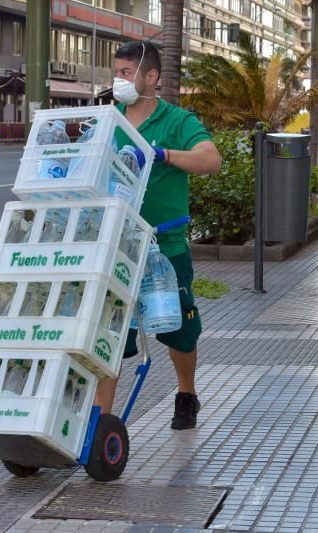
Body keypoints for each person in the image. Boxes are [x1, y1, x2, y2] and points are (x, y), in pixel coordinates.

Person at [94, 41, 222, 430]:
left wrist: (164, 154)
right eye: (116, 72)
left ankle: (186, 393)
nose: (119, 80)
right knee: (108, 335)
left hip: (163, 249)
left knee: (180, 330)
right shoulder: (109, 121)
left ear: (151, 77)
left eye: (126, 72)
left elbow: (210, 160)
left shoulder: (177, 121)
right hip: (114, 245)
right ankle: (103, 420)